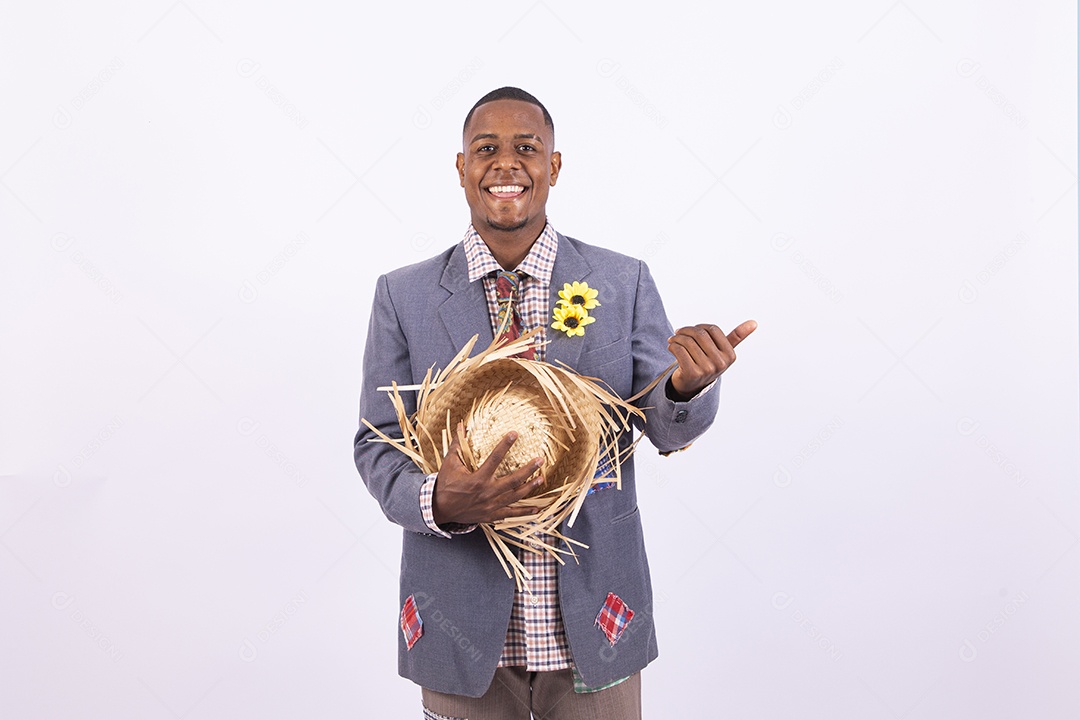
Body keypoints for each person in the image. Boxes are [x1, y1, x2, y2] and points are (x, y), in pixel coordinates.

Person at [354, 86, 756, 720]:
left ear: (554, 167)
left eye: (527, 149)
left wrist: (687, 387)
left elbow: (666, 428)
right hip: (459, 629)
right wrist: (439, 500)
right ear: (461, 168)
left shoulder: (622, 282)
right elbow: (376, 445)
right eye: (486, 149)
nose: (506, 164)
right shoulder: (403, 296)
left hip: (598, 622)